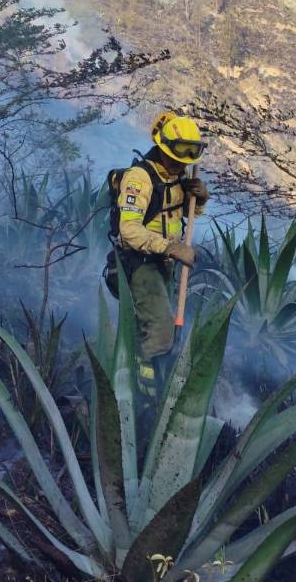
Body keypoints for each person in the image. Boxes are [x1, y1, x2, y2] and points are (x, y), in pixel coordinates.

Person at [108, 112, 209, 395]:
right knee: (161, 332)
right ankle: (144, 391)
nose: (183, 162)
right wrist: (171, 247)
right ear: (163, 148)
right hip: (139, 263)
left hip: (166, 264)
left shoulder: (178, 177)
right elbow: (128, 230)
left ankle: (146, 374)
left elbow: (186, 214)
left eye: (190, 154)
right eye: (179, 153)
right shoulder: (139, 179)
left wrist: (200, 199)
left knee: (151, 324)